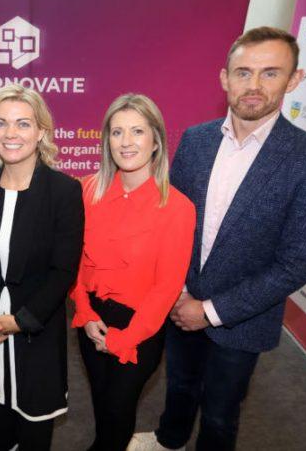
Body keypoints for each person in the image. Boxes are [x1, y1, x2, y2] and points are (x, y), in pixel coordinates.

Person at [128, 27, 306, 451]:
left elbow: (295, 263)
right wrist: (176, 291)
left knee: (222, 413)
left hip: (242, 318)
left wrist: (208, 311)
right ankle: (170, 440)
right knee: (179, 386)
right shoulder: (197, 139)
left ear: (293, 80)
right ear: (224, 78)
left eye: (270, 73)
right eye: (243, 73)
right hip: (179, 300)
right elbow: (172, 222)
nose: (254, 86)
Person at [71, 94, 196, 451]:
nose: (126, 142)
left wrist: (124, 339)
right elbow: (74, 261)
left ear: (156, 140)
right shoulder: (86, 190)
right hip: (92, 316)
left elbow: (166, 287)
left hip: (140, 327)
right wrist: (84, 309)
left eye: (137, 131)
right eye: (117, 132)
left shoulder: (178, 208)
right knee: (100, 400)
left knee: (118, 407)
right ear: (106, 140)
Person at [0, 84, 84, 451]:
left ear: (41, 132)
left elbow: (64, 271)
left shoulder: (64, 191)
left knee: (33, 425)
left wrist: (21, 320)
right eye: (1, 124)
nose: (11, 134)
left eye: (23, 124)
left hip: (37, 327)